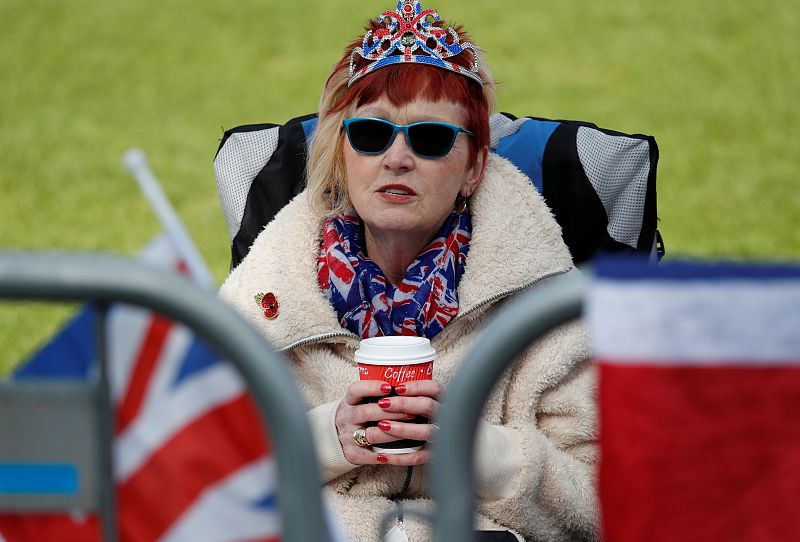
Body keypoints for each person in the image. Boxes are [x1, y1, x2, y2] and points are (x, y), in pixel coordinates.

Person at [218, 1, 597, 540]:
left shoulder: (547, 302)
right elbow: (201, 471)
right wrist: (328, 438)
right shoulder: (265, 290)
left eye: (430, 138)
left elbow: (605, 504)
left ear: (474, 168)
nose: (396, 158)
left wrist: (474, 448)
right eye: (371, 135)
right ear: (343, 155)